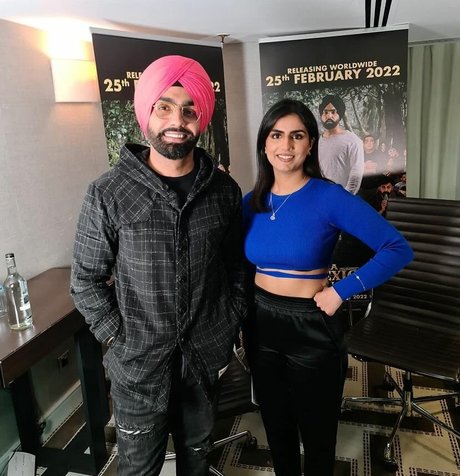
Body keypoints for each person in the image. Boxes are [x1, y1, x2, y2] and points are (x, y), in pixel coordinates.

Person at [70, 55, 247, 476]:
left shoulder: (224, 191)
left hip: (204, 359)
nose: (177, 121)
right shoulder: (108, 192)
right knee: (138, 470)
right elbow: (86, 281)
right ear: (146, 113)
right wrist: (119, 338)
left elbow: (237, 267)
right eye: (164, 107)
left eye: (189, 110)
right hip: (139, 368)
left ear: (201, 118)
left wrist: (229, 321)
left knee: (197, 461)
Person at [242, 99, 413, 476]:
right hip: (260, 324)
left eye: (297, 136)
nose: (286, 145)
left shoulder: (328, 196)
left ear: (310, 144)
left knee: (317, 435)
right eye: (276, 135)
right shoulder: (251, 203)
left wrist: (340, 291)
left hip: (311, 327)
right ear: (264, 143)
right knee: (277, 428)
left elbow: (397, 248)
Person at [318, 94, 364, 195]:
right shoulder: (317, 141)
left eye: (333, 112)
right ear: (321, 115)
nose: (329, 116)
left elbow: (356, 174)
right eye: (325, 112)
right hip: (320, 197)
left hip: (342, 198)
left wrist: (344, 197)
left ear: (340, 114)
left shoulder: (353, 141)